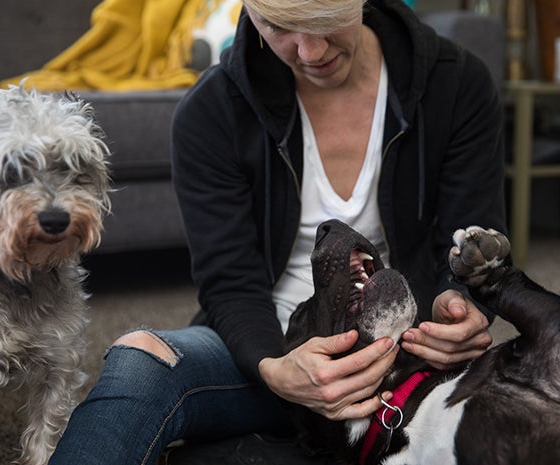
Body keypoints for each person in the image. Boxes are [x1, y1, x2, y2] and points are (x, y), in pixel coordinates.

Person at [49, 0, 506, 463]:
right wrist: (275, 367)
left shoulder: (455, 82)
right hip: (266, 356)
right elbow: (230, 282)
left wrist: (462, 306)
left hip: (404, 357)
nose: (309, 51)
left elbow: (472, 243)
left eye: (323, 23)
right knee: (141, 359)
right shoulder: (211, 110)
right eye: (280, 27)